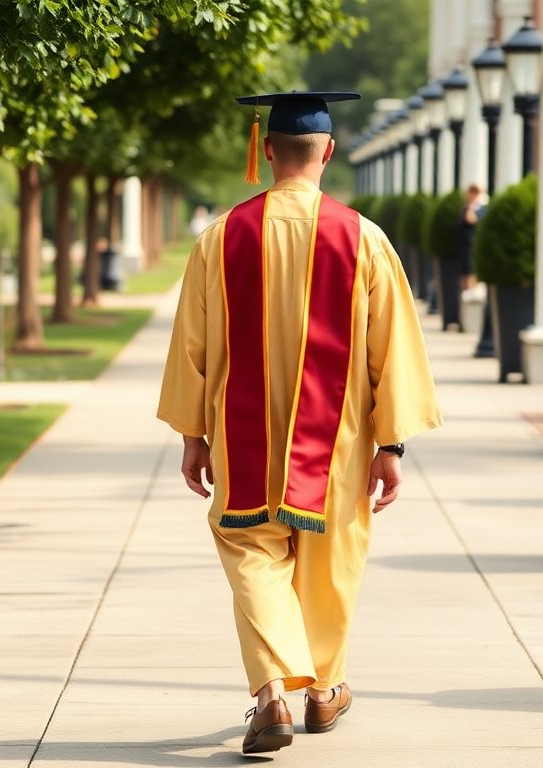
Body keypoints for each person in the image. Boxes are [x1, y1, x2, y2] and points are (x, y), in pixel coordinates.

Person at [157, 91, 442, 755]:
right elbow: (390, 348)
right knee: (330, 566)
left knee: (252, 557)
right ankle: (322, 692)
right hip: (336, 444)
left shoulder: (222, 237)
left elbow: (191, 346)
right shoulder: (362, 237)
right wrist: (391, 443)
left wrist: (193, 437)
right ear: (329, 152)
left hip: (242, 437)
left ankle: (270, 699)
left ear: (266, 151)